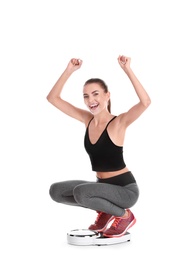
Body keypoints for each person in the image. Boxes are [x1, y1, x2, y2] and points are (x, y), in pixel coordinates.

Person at [47, 55, 151, 238]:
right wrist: (69, 70)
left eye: (95, 94)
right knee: (56, 191)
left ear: (107, 96)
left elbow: (145, 103)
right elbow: (53, 98)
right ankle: (105, 211)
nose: (90, 100)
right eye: (86, 96)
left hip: (125, 191)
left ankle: (125, 216)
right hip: (101, 187)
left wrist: (127, 70)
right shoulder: (87, 120)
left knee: (81, 193)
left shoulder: (119, 123)